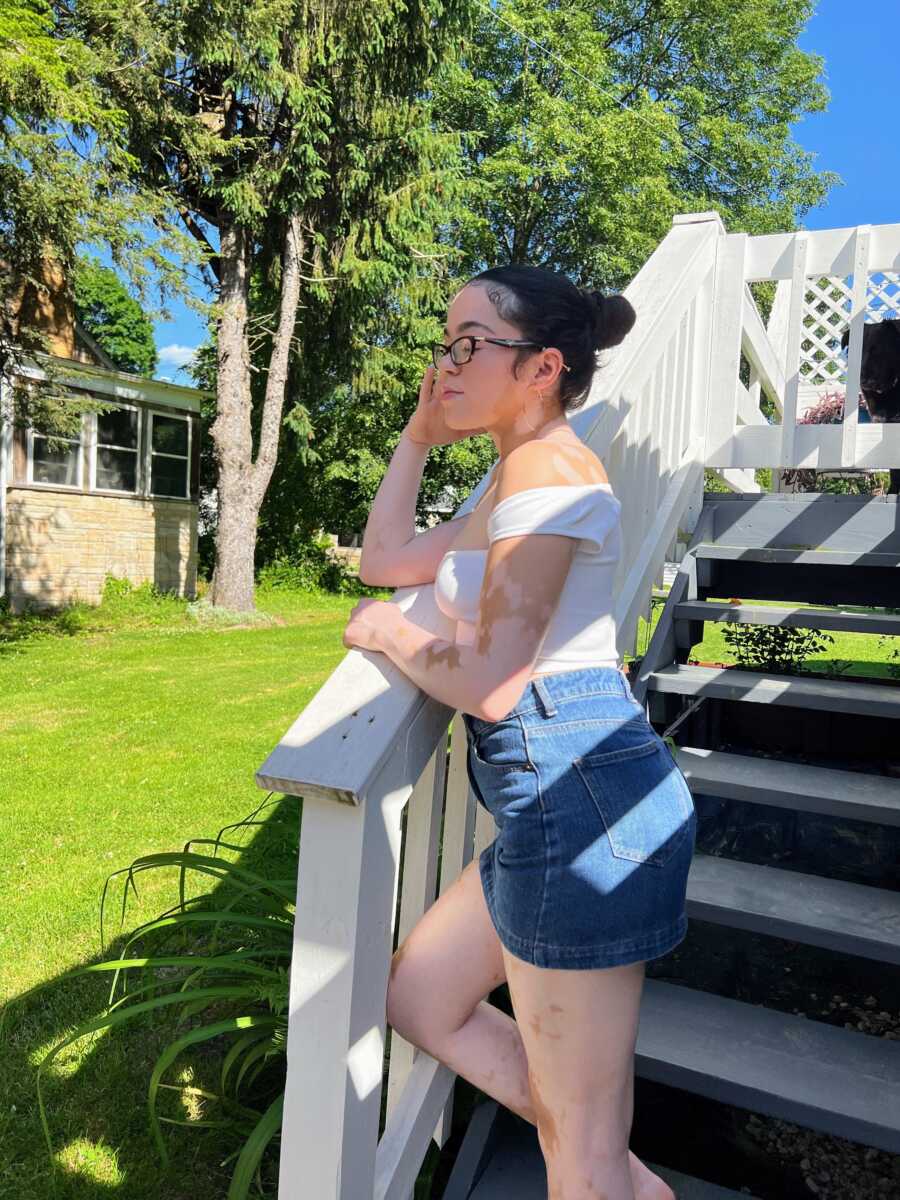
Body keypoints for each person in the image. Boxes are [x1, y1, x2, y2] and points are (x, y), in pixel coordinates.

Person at [343, 265, 697, 1200]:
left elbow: (495, 682)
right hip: (562, 797)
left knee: (575, 1159)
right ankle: (617, 1169)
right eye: (444, 343)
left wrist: (394, 633)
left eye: (470, 345)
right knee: (420, 997)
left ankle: (598, 1162)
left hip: (580, 802)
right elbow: (385, 558)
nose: (446, 365)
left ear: (542, 368)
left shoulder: (548, 470)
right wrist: (418, 439)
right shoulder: (514, 474)